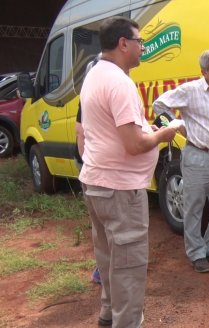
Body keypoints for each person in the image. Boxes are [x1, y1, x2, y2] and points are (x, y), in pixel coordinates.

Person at [79, 16, 177, 327]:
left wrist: (146, 129)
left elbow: (112, 130)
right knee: (128, 269)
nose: (143, 47)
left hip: (97, 183)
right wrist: (165, 132)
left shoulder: (95, 74)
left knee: (109, 260)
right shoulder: (120, 82)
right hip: (119, 190)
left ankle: (108, 317)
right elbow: (134, 145)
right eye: (139, 42)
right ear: (123, 44)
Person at [152, 50, 209, 274]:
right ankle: (196, 253)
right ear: (204, 72)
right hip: (198, 157)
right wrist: (176, 125)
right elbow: (159, 104)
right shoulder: (191, 91)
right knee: (194, 207)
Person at [75, 53, 102, 285]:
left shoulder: (87, 96)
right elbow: (80, 132)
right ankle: (103, 271)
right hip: (95, 171)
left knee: (100, 227)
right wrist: (88, 161)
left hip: (90, 170)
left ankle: (102, 270)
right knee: (105, 227)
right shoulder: (91, 97)